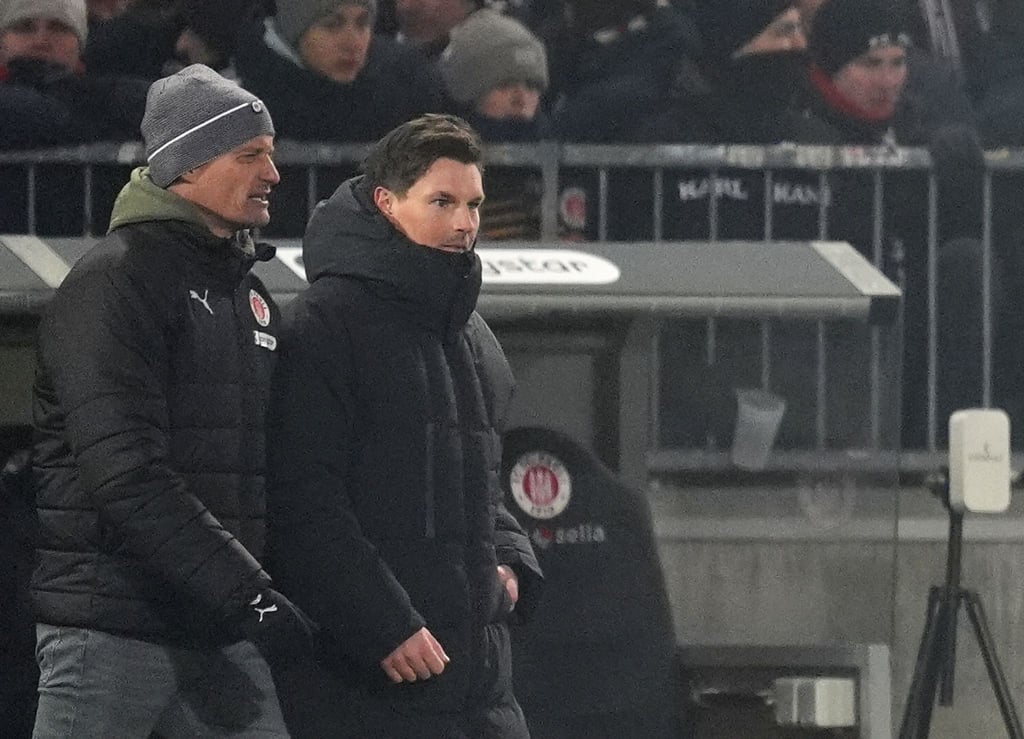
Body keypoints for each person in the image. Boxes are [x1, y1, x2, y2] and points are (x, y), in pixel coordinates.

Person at [30, 63, 316, 738]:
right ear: (186, 167)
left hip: (217, 627)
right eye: (249, 156)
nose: (273, 174)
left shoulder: (248, 294)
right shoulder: (115, 282)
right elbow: (127, 474)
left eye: (271, 154)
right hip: (113, 627)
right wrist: (248, 593)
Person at [266, 113, 544, 738]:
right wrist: (382, 625)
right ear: (387, 203)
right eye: (442, 202)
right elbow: (302, 501)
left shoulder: (474, 336)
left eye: (473, 204)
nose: (464, 223)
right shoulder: (323, 326)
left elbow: (483, 487)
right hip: (367, 681)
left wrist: (512, 564)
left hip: (481, 686)